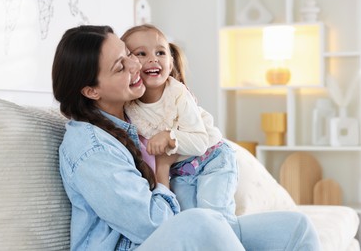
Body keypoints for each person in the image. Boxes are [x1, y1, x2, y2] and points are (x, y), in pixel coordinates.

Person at [52, 24, 321, 251]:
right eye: (120, 67)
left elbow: (199, 135)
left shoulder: (134, 115)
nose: (137, 64)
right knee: (201, 222)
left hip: (175, 231)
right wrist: (164, 168)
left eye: (128, 54)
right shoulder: (91, 149)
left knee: (296, 228)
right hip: (140, 242)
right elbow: (154, 224)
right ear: (91, 91)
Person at [121, 24, 240, 235]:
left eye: (160, 52)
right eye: (141, 53)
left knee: (215, 219)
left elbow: (200, 142)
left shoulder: (177, 94)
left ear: (171, 60)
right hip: (181, 171)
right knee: (188, 223)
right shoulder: (129, 104)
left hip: (212, 159)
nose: (153, 59)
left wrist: (169, 136)